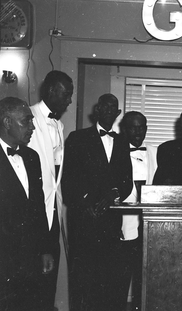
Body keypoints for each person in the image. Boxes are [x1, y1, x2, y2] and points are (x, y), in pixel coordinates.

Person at [62, 93, 133, 311]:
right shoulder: (77, 137)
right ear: (97, 110)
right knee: (83, 280)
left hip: (111, 222)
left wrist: (113, 196)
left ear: (118, 113)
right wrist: (87, 204)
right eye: (105, 107)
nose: (110, 111)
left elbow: (126, 180)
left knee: (108, 280)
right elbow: (69, 180)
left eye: (114, 108)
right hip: (84, 220)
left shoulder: (122, 141)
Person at [0, 97, 55, 310]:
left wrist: (45, 249)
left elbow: (38, 208)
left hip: (29, 259)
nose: (32, 127)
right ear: (7, 122)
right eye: (26, 121)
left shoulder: (32, 157)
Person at [28, 70, 73, 310]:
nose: (69, 101)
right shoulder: (29, 118)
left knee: (50, 274)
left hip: (52, 208)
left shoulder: (59, 125)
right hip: (33, 210)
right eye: (66, 95)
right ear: (51, 91)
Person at [115, 111, 158, 311]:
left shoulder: (156, 152)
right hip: (123, 227)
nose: (137, 131)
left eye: (141, 127)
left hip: (149, 228)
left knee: (146, 282)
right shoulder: (116, 151)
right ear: (125, 129)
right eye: (132, 127)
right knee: (119, 282)